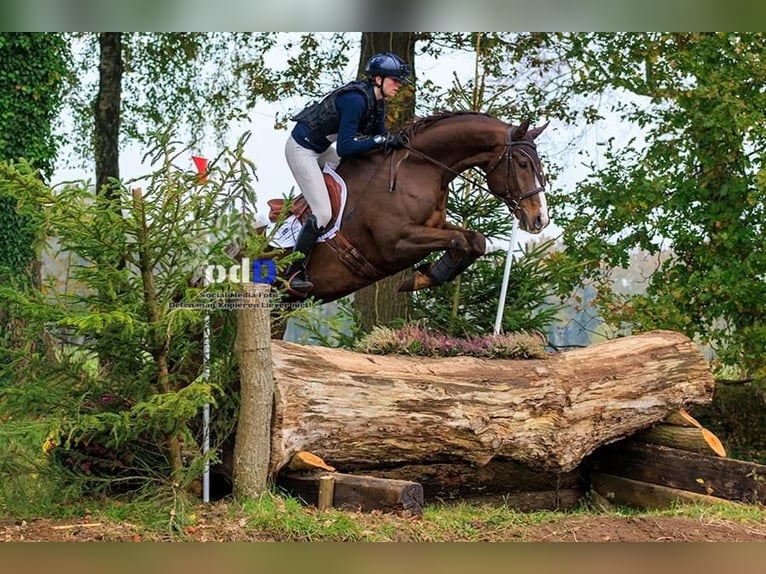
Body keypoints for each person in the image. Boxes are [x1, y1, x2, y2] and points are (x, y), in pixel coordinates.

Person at [283, 52, 412, 294]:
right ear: (378, 79)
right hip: (302, 150)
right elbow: (346, 148)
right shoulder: (355, 100)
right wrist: (381, 139)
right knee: (322, 212)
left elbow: (378, 140)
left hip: (321, 149)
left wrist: (391, 143)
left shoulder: (377, 102)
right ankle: (294, 272)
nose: (399, 86)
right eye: (395, 81)